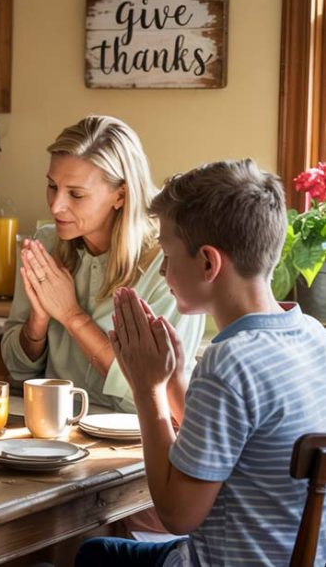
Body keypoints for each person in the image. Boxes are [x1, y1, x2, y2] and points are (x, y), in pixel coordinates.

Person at [77, 159, 326, 566]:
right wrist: (174, 381)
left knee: (94, 555)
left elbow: (177, 514)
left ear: (209, 262)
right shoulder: (314, 335)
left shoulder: (230, 364)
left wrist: (147, 391)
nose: (162, 269)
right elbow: (233, 443)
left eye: (169, 254)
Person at [0, 115, 204, 415]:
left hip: (138, 443)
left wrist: (71, 316)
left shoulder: (170, 263)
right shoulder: (45, 246)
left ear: (120, 195)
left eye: (76, 194)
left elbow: (155, 393)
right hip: (55, 432)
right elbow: (17, 371)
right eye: (52, 186)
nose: (56, 206)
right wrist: (38, 321)